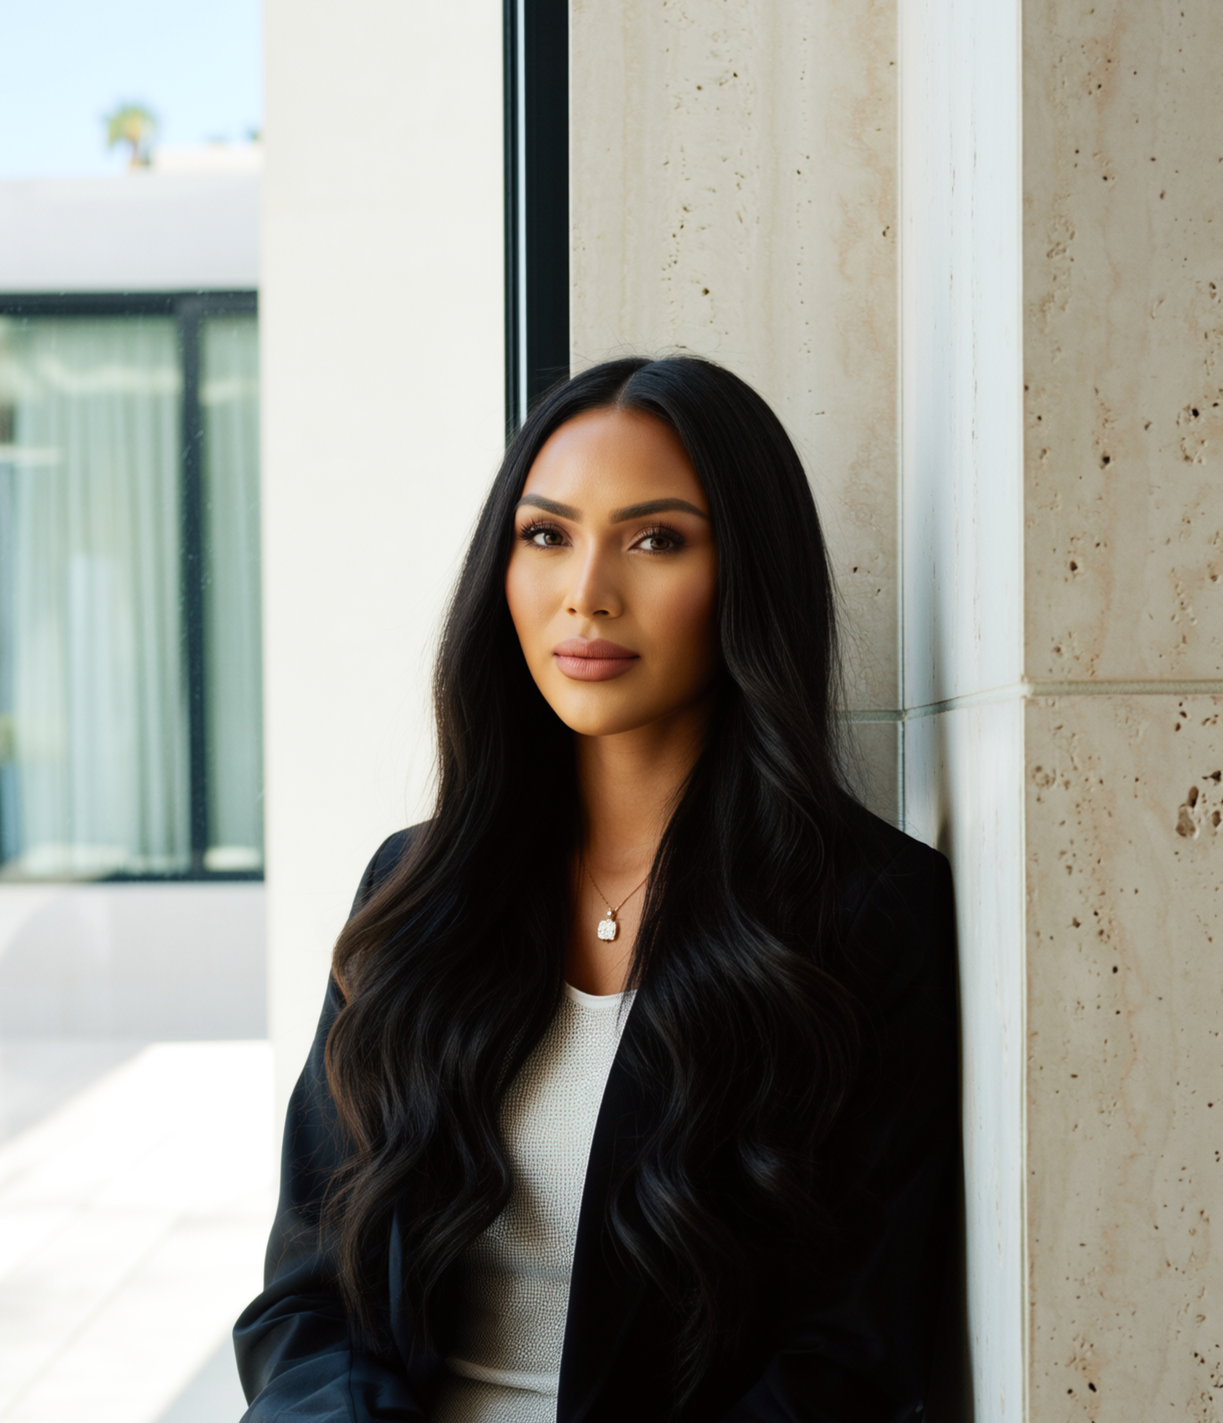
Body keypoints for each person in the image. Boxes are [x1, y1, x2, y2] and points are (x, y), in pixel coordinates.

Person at [234, 356, 957, 1423]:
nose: (586, 592)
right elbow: (308, 1299)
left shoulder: (865, 916)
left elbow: (855, 1355)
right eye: (546, 534)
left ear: (746, 575)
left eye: (654, 539)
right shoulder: (414, 891)